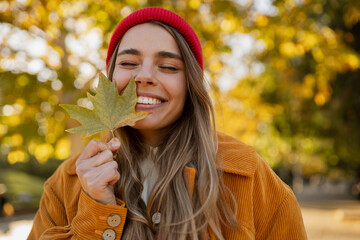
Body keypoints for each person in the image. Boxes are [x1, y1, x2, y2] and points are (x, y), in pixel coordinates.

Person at [28, 7, 307, 240]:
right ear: (110, 79)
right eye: (128, 63)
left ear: (190, 86)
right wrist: (96, 210)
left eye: (169, 67)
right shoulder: (65, 183)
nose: (144, 76)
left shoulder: (249, 175)